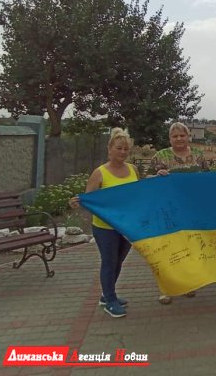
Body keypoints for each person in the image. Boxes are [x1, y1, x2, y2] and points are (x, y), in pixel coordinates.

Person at [69, 128, 139, 318]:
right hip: (105, 228)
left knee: (119, 262)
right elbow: (89, 199)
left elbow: (138, 193)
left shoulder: (133, 169)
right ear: (110, 149)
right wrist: (77, 202)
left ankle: (107, 295)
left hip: (126, 226)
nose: (123, 152)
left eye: (126, 149)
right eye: (119, 148)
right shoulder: (100, 173)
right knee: (109, 262)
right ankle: (110, 300)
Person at [151, 122, 208, 305]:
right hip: (168, 211)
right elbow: (147, 182)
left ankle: (187, 285)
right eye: (175, 136)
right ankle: (165, 289)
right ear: (170, 139)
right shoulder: (160, 156)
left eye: (182, 135)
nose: (179, 139)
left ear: (188, 136)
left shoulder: (198, 156)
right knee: (167, 250)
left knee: (189, 249)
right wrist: (156, 175)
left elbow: (208, 179)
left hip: (191, 210)